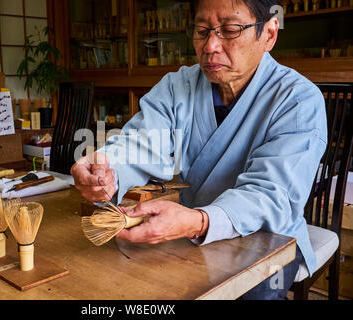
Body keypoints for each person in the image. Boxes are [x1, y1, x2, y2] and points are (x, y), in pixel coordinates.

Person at [71, 0, 327, 300]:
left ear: (269, 34)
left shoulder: (297, 99)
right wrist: (105, 167)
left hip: (269, 240)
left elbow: (271, 194)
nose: (210, 46)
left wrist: (199, 222)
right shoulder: (178, 85)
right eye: (202, 31)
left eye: (230, 30)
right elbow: (141, 143)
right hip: (191, 231)